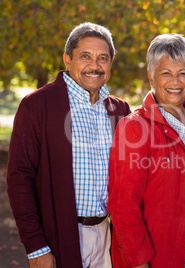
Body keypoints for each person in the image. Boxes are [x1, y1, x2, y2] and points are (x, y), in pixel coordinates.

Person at [7, 22, 131, 268]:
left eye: (103, 58)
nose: (94, 65)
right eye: (85, 56)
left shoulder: (119, 110)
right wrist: (36, 248)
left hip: (109, 237)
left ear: (110, 64)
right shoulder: (37, 105)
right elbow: (20, 178)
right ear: (67, 59)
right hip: (60, 236)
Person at [107, 33, 185, 268]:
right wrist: (138, 260)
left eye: (183, 73)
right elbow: (123, 205)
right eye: (166, 73)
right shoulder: (135, 127)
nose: (175, 81)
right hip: (157, 252)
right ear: (151, 77)